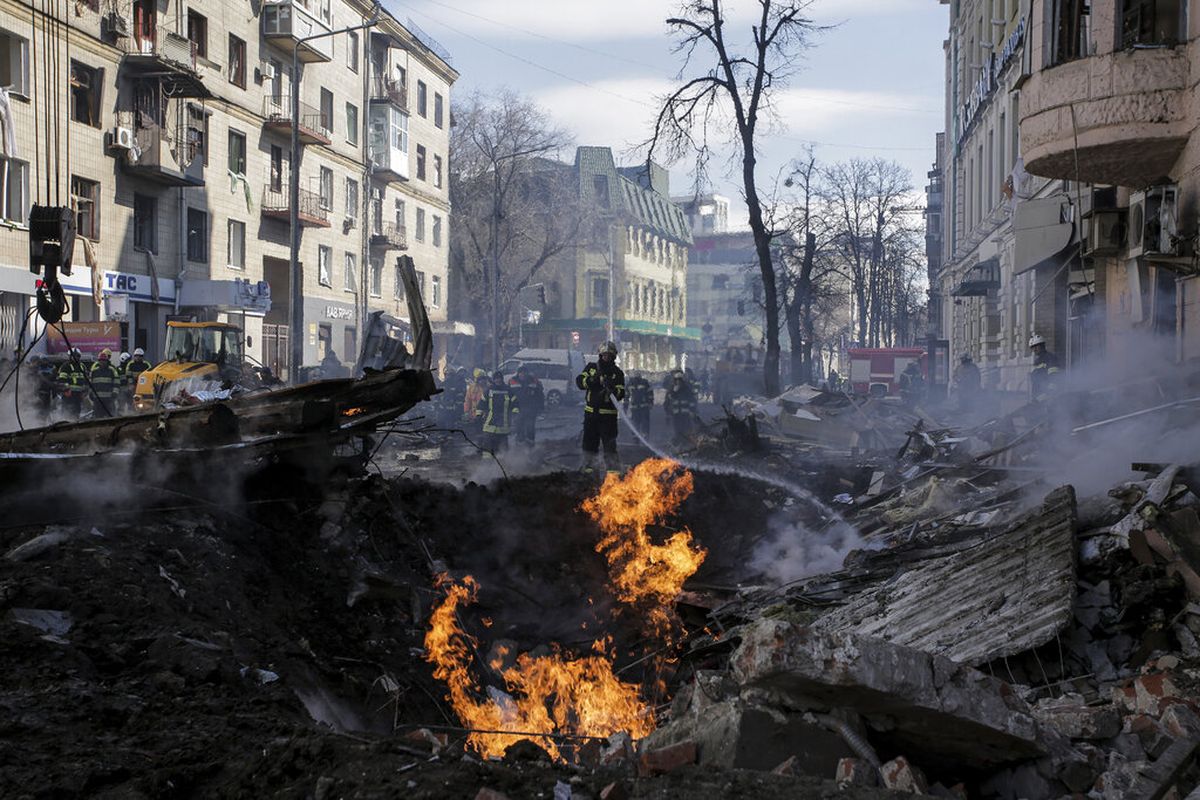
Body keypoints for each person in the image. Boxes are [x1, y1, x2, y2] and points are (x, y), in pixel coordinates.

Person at [576, 340, 625, 473]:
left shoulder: (617, 373)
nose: (606, 357)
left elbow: (621, 393)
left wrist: (612, 389)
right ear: (600, 355)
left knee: (609, 445)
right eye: (604, 355)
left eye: (609, 355)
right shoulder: (591, 368)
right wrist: (593, 380)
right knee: (589, 444)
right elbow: (579, 382)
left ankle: (612, 473)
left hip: (608, 417)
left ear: (613, 356)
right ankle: (589, 470)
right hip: (591, 414)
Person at [476, 370, 518, 454]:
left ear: (502, 379)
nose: (497, 380)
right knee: (487, 446)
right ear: (493, 380)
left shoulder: (508, 390)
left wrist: (515, 414)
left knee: (502, 448)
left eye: (499, 378)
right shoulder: (489, 390)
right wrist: (478, 415)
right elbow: (481, 404)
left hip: (504, 425)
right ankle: (487, 464)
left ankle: (503, 464)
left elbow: (515, 404)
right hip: (490, 423)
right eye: (496, 379)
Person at [508, 365, 544, 447]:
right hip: (518, 409)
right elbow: (508, 394)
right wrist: (510, 407)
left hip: (531, 409)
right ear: (518, 373)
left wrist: (540, 408)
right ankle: (519, 445)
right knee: (519, 427)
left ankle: (530, 446)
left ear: (527, 373)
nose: (522, 374)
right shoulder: (512, 381)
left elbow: (540, 395)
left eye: (524, 372)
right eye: (521, 372)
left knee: (530, 427)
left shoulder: (534, 381)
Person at [664, 370, 699, 445]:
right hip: (675, 414)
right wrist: (667, 414)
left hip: (685, 414)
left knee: (687, 428)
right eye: (676, 380)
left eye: (679, 380)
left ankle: (686, 443)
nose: (678, 382)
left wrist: (692, 411)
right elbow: (667, 402)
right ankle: (679, 442)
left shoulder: (686, 388)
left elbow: (692, 401)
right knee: (677, 429)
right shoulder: (671, 389)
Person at [89, 348, 121, 418]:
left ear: (107, 361)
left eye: (104, 360)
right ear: (98, 361)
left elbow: (116, 382)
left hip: (109, 399)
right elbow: (90, 384)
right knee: (97, 417)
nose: (102, 362)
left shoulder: (112, 370)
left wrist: (115, 393)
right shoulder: (94, 371)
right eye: (101, 360)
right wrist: (90, 393)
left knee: (110, 416)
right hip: (97, 400)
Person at [1028, 334, 1060, 404]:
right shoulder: (1037, 361)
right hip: (1037, 400)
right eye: (1032, 347)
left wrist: (1042, 398)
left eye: (1036, 346)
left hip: (1048, 402)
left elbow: (1054, 381)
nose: (1034, 349)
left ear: (1042, 345)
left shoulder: (1050, 359)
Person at [57, 348, 87, 419]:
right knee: (67, 412)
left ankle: (75, 426)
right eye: (74, 356)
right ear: (70, 356)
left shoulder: (82, 366)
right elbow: (61, 380)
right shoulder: (65, 366)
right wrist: (66, 390)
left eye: (77, 356)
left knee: (77, 411)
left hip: (78, 394)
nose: (75, 357)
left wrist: (85, 391)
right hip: (69, 394)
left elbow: (86, 380)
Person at [27, 355, 56, 423]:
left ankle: (42, 425)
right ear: (32, 362)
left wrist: (54, 387)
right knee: (37, 413)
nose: (37, 365)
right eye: (36, 363)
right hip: (36, 396)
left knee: (45, 413)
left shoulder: (39, 372)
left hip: (45, 395)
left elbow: (48, 383)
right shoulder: (29, 372)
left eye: (38, 363)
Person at [624, 371, 654, 436]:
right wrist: (625, 407)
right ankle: (636, 436)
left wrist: (651, 402)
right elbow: (626, 396)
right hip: (637, 407)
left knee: (642, 422)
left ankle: (644, 435)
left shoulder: (643, 383)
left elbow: (650, 393)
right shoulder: (630, 384)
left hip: (642, 407)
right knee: (636, 422)